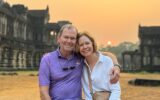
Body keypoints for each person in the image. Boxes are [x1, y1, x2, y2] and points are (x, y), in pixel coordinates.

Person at [39, 24, 120, 100]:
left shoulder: (80, 56)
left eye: (72, 38)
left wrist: (116, 66)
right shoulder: (47, 59)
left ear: (75, 42)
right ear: (58, 39)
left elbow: (103, 55)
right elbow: (43, 92)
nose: (69, 41)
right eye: (66, 37)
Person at [77, 32, 121, 100]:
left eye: (87, 43)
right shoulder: (81, 66)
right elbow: (87, 94)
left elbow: (116, 90)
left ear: (92, 44)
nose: (85, 47)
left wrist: (116, 66)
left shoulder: (107, 61)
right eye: (81, 45)